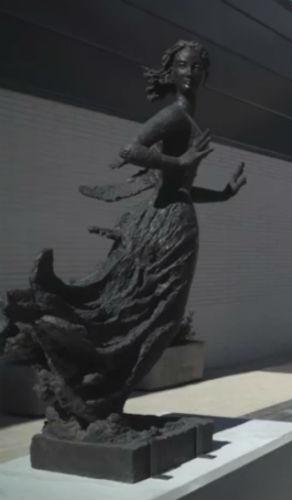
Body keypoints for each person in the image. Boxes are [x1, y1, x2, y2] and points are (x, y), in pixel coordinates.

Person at [0, 40, 245, 432]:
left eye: (198, 66)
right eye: (183, 65)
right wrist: (179, 160)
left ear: (206, 74)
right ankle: (96, 397)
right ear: (171, 72)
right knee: (158, 318)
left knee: (144, 313)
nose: (191, 72)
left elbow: (176, 185)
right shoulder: (175, 115)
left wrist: (222, 194)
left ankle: (97, 396)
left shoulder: (186, 118)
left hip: (173, 218)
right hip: (169, 226)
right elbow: (131, 149)